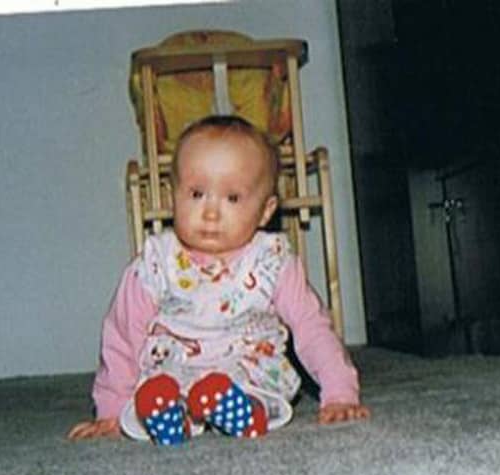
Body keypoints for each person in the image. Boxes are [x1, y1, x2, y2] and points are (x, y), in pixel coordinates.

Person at [68, 115, 369, 445]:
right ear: (172, 197)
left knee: (255, 388)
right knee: (154, 390)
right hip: (175, 369)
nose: (211, 213)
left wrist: (340, 391)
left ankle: (243, 410)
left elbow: (312, 327)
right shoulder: (156, 262)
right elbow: (124, 333)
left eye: (233, 198)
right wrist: (111, 408)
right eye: (197, 194)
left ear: (266, 211)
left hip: (247, 368)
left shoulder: (271, 261)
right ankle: (171, 415)